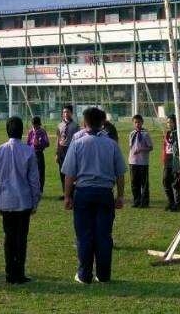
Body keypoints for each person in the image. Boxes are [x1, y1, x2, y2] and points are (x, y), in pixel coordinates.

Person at [62, 107, 127, 284]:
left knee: (84, 235)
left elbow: (69, 174)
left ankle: (84, 275)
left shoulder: (78, 143)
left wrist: (67, 196)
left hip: (83, 192)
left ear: (85, 123)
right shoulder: (111, 144)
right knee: (104, 235)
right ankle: (104, 275)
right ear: (103, 122)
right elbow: (120, 173)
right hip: (105, 193)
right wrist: (120, 196)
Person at [0, 117, 41, 284]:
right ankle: (19, 272)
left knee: (8, 237)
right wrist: (35, 201)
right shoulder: (29, 151)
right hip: (24, 201)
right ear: (22, 131)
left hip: (5, 200)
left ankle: (9, 272)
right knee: (21, 238)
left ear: (7, 130)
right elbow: (34, 180)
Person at [128, 115, 153, 208]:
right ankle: (136, 201)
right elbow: (131, 146)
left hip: (143, 162)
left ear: (142, 122)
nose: (137, 124)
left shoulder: (145, 134)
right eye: (135, 122)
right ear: (133, 123)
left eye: (139, 122)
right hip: (133, 162)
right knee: (134, 182)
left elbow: (151, 147)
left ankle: (145, 202)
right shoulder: (131, 134)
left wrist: (141, 149)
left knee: (144, 183)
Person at [55, 105, 79, 199]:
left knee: (71, 172)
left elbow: (77, 139)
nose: (65, 114)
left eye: (67, 112)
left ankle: (71, 193)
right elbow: (58, 138)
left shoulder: (75, 126)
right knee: (62, 172)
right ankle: (65, 193)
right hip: (62, 149)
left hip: (71, 149)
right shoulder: (60, 125)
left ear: (71, 113)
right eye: (64, 112)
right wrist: (57, 153)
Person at [161, 115, 180, 212]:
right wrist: (164, 159)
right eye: (167, 122)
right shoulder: (167, 133)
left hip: (176, 159)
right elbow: (165, 148)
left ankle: (178, 205)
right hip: (168, 160)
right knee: (166, 181)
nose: (169, 124)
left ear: (175, 123)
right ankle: (171, 202)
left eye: (171, 122)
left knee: (177, 183)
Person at [26, 116, 50, 192]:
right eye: (33, 125)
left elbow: (47, 143)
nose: (35, 127)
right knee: (31, 172)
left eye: (36, 125)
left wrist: (39, 143)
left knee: (40, 172)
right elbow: (28, 143)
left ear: (39, 124)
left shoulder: (42, 132)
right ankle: (31, 188)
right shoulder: (31, 132)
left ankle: (40, 189)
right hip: (31, 154)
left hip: (39, 154)